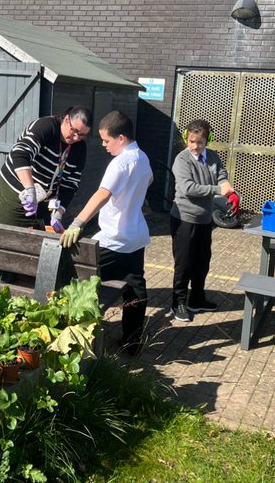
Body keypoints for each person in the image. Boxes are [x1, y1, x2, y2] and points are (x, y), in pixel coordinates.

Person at [60, 111, 153, 355]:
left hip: (113, 239)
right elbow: (149, 181)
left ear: (120, 138)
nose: (103, 145)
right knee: (136, 290)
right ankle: (132, 344)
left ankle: (79, 339)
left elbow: (102, 193)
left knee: (81, 282)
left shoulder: (120, 162)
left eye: (106, 140)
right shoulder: (143, 158)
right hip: (136, 238)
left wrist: (77, 222)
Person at [168, 119, 235, 323]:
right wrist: (218, 190)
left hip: (205, 220)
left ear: (208, 140)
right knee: (184, 263)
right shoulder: (182, 160)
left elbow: (221, 174)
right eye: (191, 141)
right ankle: (178, 302)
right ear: (187, 139)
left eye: (200, 142)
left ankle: (196, 298)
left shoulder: (213, 157)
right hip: (184, 219)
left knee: (202, 261)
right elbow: (189, 188)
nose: (195, 146)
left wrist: (226, 185)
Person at [0, 107, 92, 228]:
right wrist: (30, 190)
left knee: (38, 240)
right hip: (17, 191)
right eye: (74, 131)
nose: (76, 138)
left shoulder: (80, 148)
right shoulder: (46, 126)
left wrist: (59, 212)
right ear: (66, 119)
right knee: (7, 235)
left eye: (82, 135)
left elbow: (71, 183)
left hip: (44, 199)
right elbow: (20, 153)